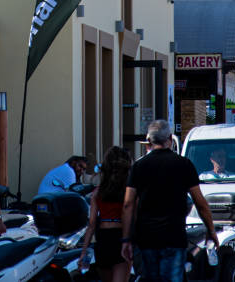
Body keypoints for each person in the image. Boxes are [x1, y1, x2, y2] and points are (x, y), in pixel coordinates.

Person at [121, 120, 218, 282]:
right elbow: (200, 203)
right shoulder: (183, 164)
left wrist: (126, 239)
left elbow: (128, 204)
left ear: (150, 141)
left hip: (147, 237)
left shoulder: (139, 166)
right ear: (170, 140)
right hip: (174, 236)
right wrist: (211, 230)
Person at [78, 147, 131, 282]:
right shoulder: (128, 192)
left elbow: (91, 225)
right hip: (121, 237)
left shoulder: (98, 192)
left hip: (103, 239)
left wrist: (83, 252)